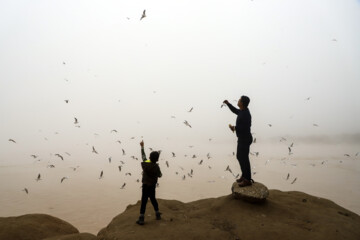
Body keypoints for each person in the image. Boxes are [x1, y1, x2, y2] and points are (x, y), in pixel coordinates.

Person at [223, 96, 253, 187]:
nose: (238, 100)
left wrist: (234, 128)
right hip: (242, 138)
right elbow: (235, 110)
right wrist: (228, 104)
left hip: (245, 139)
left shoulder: (246, 114)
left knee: (244, 158)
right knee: (240, 157)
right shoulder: (242, 111)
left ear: (242, 103)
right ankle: (244, 176)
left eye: (239, 100)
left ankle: (247, 179)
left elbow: (245, 128)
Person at [136, 140, 162, 225]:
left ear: (149, 158)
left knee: (144, 200)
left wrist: (142, 147)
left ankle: (141, 218)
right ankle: (157, 214)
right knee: (153, 199)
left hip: (145, 185)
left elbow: (143, 156)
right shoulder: (156, 167)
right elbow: (160, 175)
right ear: (157, 159)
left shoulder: (146, 164)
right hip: (152, 185)